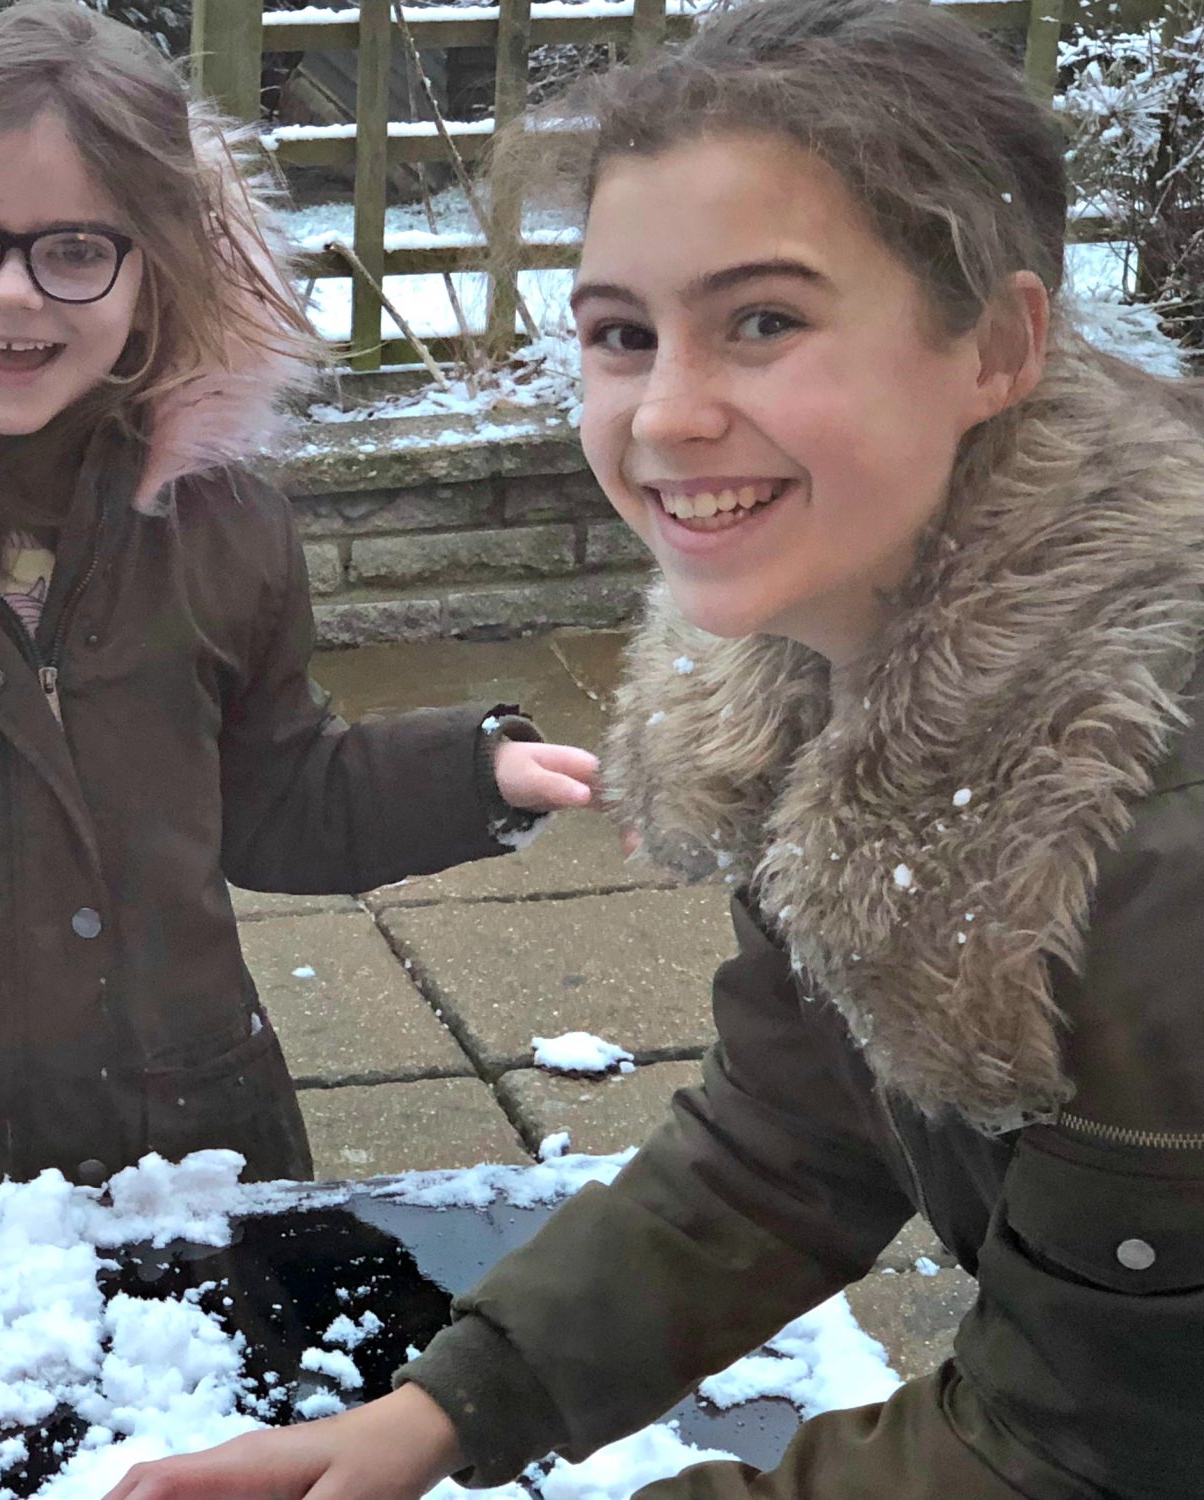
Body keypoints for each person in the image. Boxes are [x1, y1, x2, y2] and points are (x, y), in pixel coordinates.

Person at [104, 0, 1204, 1496]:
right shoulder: (841, 666)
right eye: (621, 334)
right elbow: (796, 1136)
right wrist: (446, 1413)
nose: (668, 415)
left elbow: (1091, 1456)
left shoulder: (1149, 830)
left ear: (999, 344)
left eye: (764, 320)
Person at [0, 0, 601, 1217]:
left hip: (190, 1129)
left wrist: (466, 777)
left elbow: (273, 798)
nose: (11, 296)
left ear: (157, 269)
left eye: (74, 251)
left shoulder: (225, 537)